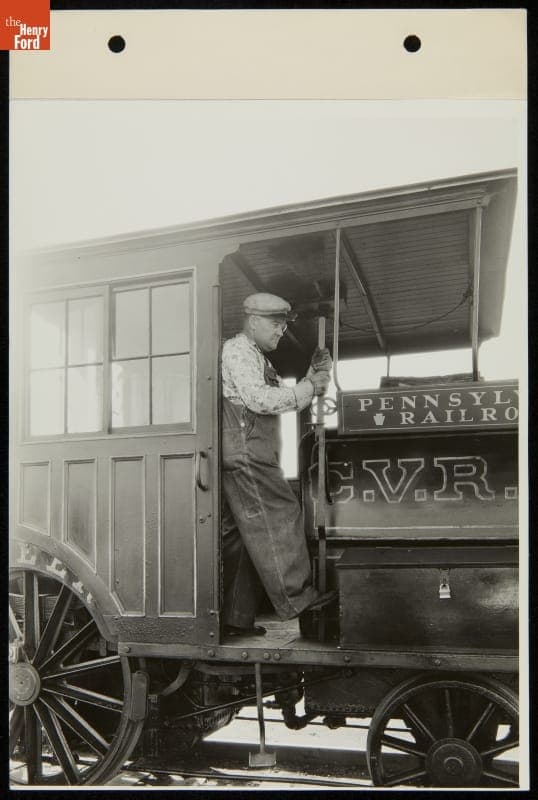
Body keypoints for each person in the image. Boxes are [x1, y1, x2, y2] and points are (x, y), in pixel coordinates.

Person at [221, 292, 336, 637]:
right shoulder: (239, 350)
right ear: (253, 321)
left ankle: (235, 618)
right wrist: (307, 387)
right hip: (247, 453)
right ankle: (299, 600)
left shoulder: (255, 355)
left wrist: (314, 374)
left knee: (243, 539)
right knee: (282, 513)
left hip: (253, 451)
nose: (281, 332)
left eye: (284, 325)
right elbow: (259, 399)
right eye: (275, 324)